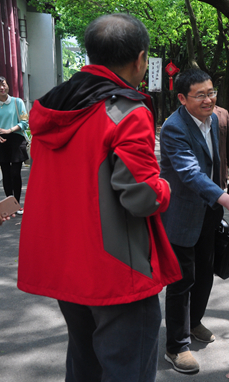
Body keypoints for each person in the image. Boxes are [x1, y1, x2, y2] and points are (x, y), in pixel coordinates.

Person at [17, 14, 182, 382]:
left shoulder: (52, 107)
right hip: (117, 270)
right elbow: (141, 196)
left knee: (83, 363)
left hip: (66, 264)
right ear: (140, 59)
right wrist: (166, 187)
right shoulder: (126, 111)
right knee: (127, 369)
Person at [160, 69, 229, 374]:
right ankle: (176, 346)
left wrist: (227, 192)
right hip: (182, 215)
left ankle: (194, 321)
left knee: (205, 273)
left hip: (209, 213)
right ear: (183, 98)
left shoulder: (214, 119)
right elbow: (189, 173)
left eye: (211, 92)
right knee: (181, 280)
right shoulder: (174, 128)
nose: (208, 99)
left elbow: (218, 162)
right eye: (200, 94)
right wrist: (226, 199)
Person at [0, 76, 29, 215]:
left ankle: (17, 204)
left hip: (16, 139)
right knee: (5, 173)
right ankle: (9, 206)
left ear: (7, 85)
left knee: (15, 173)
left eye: (3, 84)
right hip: (1, 141)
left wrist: (9, 130)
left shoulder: (17, 102)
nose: (2, 88)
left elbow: (24, 122)